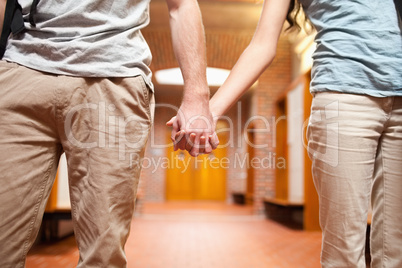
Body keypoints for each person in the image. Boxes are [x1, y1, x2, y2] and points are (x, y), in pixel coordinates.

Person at [169, 0, 402, 267]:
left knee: (396, 248)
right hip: (345, 98)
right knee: (344, 251)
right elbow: (262, 45)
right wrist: (207, 112)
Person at [0, 0, 216, 267]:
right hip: (19, 71)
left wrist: (197, 96)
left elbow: (181, 5)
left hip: (112, 76)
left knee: (102, 257)